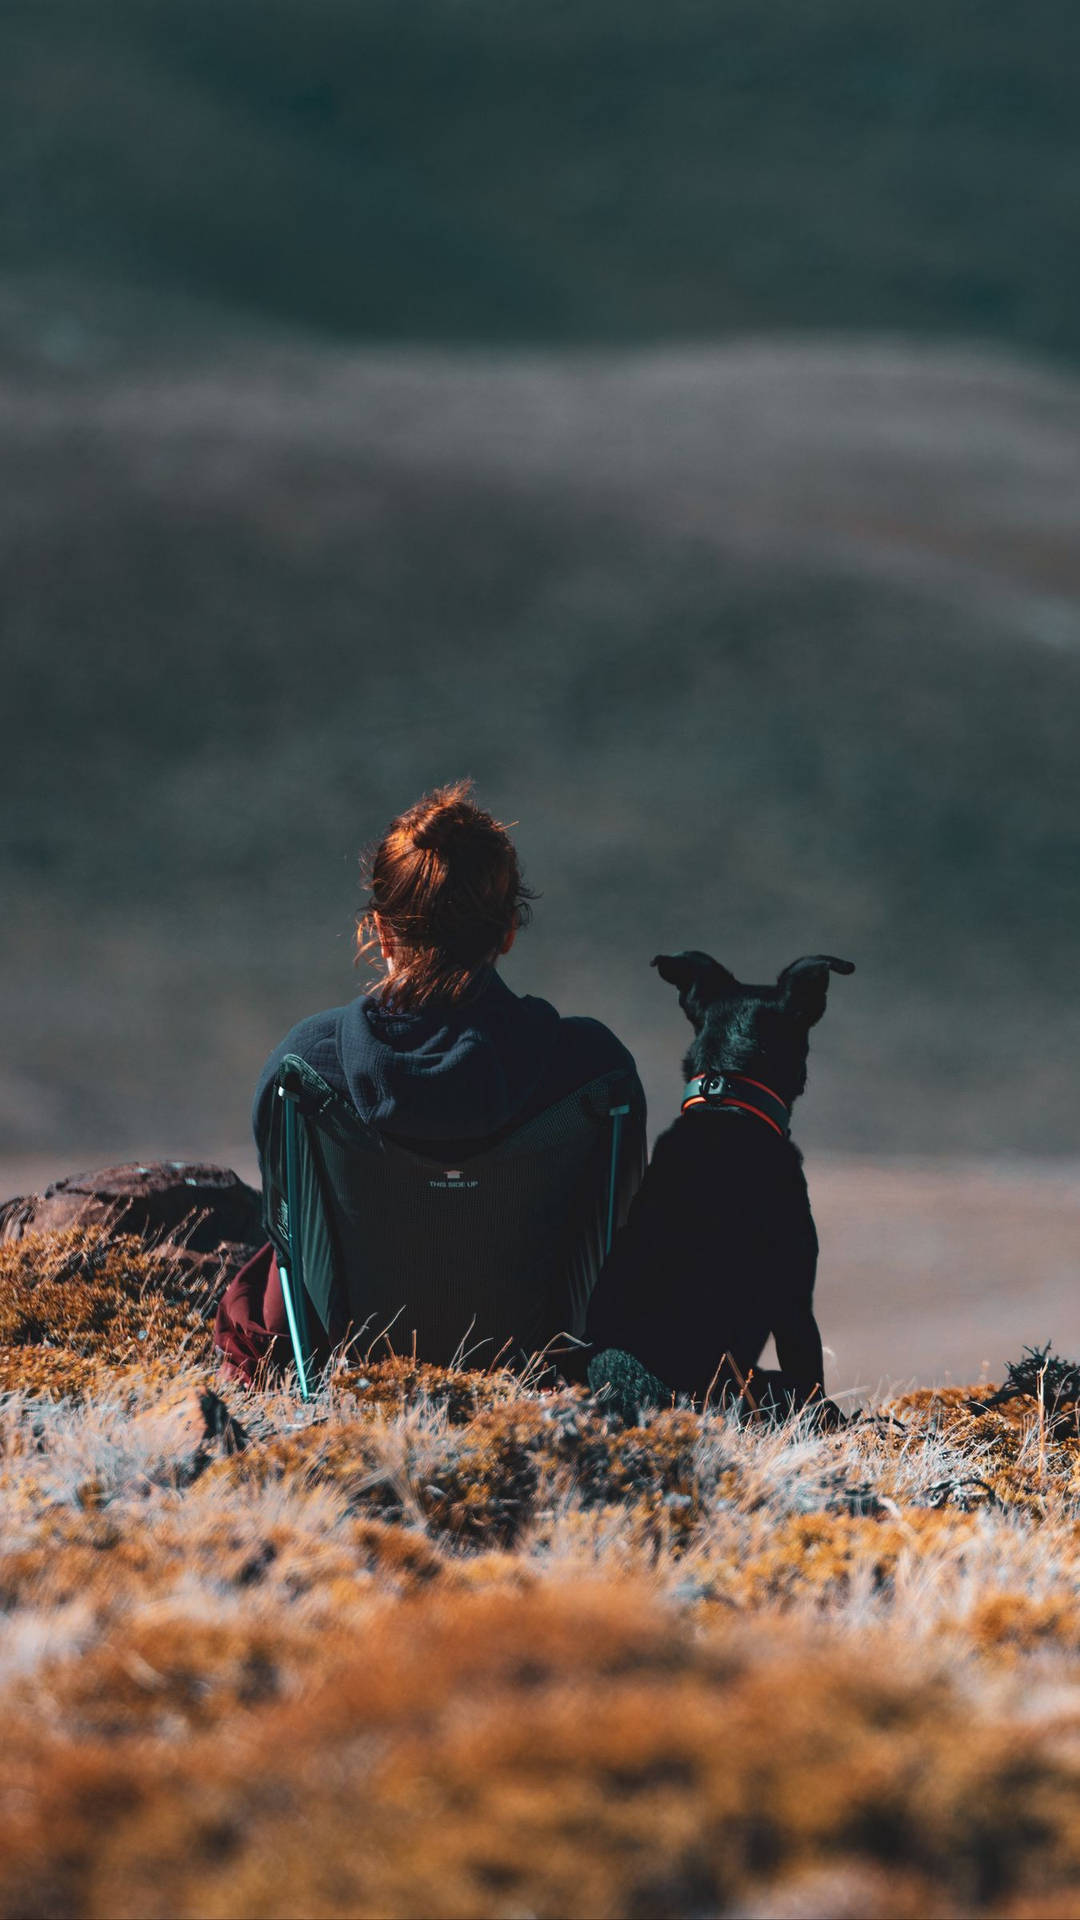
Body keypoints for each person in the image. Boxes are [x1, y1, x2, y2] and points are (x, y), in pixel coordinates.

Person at [214, 779, 646, 1384]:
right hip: (536, 1372)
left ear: (383, 933)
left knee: (258, 1271)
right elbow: (615, 1238)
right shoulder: (594, 1072)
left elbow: (292, 1244)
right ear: (507, 934)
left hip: (359, 1369)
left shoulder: (305, 1068)